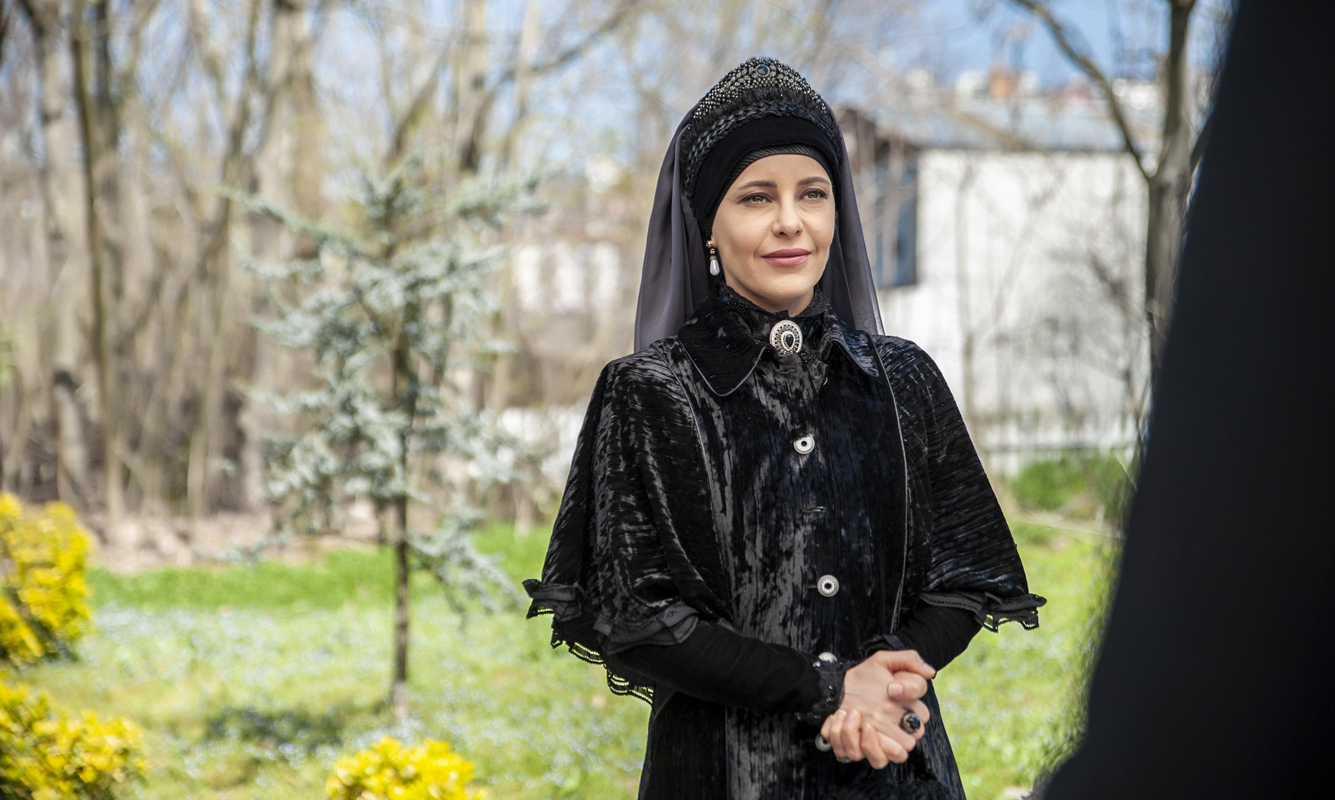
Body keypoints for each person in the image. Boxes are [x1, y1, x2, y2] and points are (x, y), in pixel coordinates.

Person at [525, 58, 1044, 800]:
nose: (790, 222)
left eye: (813, 194)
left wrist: (884, 681)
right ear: (707, 225)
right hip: (720, 775)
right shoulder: (650, 393)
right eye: (755, 197)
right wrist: (826, 688)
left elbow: (966, 577)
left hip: (893, 767)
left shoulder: (902, 379)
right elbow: (639, 617)